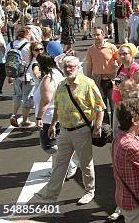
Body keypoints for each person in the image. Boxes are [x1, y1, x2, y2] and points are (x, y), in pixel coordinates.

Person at [34, 55, 106, 205]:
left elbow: (100, 107)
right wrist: (53, 125)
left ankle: (89, 191)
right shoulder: (61, 84)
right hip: (65, 130)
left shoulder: (87, 84)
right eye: (65, 67)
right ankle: (51, 193)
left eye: (71, 67)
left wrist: (97, 126)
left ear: (78, 67)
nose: (68, 69)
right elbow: (58, 107)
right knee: (61, 162)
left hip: (81, 130)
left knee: (85, 163)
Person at [34, 53, 78, 179]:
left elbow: (46, 100)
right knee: (56, 143)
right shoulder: (56, 72)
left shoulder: (49, 78)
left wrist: (38, 117)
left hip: (49, 117)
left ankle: (70, 164)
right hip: (56, 115)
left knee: (49, 146)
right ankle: (56, 170)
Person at [112, 99, 139, 223]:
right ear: (133, 120)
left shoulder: (120, 136)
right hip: (137, 203)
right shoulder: (131, 145)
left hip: (125, 197)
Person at [85, 26, 119, 126]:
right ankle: (105, 129)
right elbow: (89, 66)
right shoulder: (90, 50)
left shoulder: (112, 47)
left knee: (114, 107)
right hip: (98, 81)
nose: (96, 37)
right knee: (101, 107)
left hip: (111, 80)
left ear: (103, 35)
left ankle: (114, 128)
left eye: (98, 34)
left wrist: (117, 68)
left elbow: (119, 62)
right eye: (94, 35)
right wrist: (88, 81)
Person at [7, 27, 35, 128]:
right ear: (27, 33)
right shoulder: (29, 46)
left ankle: (14, 114)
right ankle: (25, 120)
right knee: (26, 97)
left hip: (15, 75)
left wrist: (9, 75)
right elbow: (34, 60)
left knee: (17, 95)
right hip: (28, 75)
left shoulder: (10, 45)